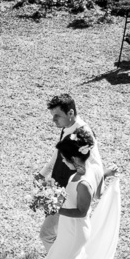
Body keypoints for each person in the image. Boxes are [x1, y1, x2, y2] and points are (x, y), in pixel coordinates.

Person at [18, 126, 121, 259]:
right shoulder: (93, 169)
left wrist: (56, 208)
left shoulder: (83, 182)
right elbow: (99, 181)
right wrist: (106, 174)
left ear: (73, 158)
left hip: (75, 231)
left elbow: (82, 211)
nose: (63, 161)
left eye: (64, 158)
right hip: (69, 230)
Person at [36, 93, 101, 247]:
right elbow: (56, 155)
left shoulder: (83, 134)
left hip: (69, 192)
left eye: (57, 116)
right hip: (59, 185)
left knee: (46, 234)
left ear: (70, 113)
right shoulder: (67, 127)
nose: (53, 120)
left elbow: (94, 165)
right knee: (59, 233)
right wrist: (42, 174)